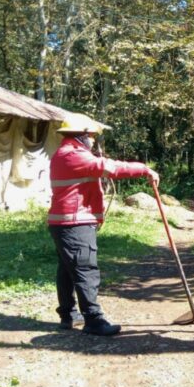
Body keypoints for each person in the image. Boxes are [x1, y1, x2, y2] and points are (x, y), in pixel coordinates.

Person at [48, 114, 159, 336]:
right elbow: (111, 167)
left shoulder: (64, 153)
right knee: (84, 269)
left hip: (65, 221)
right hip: (75, 222)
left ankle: (68, 315)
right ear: (82, 136)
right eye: (90, 136)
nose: (92, 140)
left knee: (68, 269)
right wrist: (145, 169)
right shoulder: (74, 155)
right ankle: (94, 320)